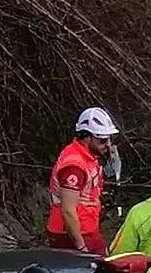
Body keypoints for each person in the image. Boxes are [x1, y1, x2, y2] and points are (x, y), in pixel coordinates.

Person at [47, 107, 120, 255]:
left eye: (109, 139)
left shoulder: (87, 156)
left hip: (87, 229)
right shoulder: (74, 166)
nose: (108, 144)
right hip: (71, 234)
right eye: (103, 140)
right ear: (87, 137)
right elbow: (68, 211)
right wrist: (81, 248)